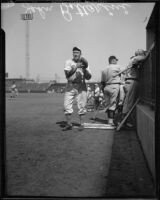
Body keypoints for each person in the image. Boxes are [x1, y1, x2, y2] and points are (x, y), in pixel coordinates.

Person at [63, 47, 92, 130]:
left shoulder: (85, 64)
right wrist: (76, 66)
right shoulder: (68, 62)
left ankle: (82, 124)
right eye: (74, 52)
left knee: (82, 105)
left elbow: (89, 77)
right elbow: (67, 74)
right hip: (70, 85)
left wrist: (85, 69)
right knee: (66, 105)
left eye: (77, 53)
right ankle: (69, 124)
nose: (75, 54)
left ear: (80, 54)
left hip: (81, 85)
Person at [121, 49, 151, 127]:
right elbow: (143, 57)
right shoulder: (135, 58)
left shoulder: (133, 60)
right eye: (142, 53)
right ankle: (124, 122)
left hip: (129, 81)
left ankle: (126, 121)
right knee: (129, 102)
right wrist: (147, 53)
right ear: (139, 54)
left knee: (129, 102)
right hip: (132, 81)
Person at [101, 56, 123, 125]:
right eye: (115, 60)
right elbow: (126, 70)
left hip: (106, 87)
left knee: (108, 105)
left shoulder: (104, 69)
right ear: (113, 60)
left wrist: (103, 90)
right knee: (112, 105)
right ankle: (111, 121)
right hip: (114, 86)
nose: (116, 61)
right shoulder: (117, 66)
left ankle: (109, 120)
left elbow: (102, 82)